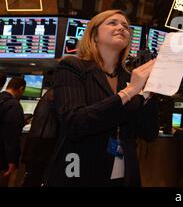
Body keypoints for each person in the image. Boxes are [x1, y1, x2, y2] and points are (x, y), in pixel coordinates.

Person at [44, 10, 159, 186]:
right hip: (80, 172)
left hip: (123, 175)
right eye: (112, 23)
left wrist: (150, 90)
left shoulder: (129, 78)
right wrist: (130, 91)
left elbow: (148, 133)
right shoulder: (72, 67)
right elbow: (75, 122)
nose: (121, 27)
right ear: (94, 35)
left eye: (126, 26)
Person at [0, 77, 26, 186]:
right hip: (3, 158)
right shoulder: (14, 105)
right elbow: (11, 136)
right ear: (21, 89)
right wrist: (12, 160)